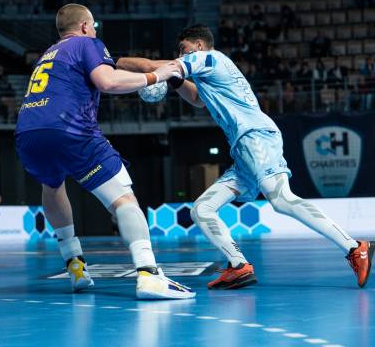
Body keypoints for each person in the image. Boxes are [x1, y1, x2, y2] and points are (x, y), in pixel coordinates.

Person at [118, 24, 374, 290]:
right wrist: (175, 80)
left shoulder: (209, 58)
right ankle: (238, 265)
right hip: (243, 151)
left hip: (255, 138)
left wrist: (111, 62)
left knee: (282, 199)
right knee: (202, 210)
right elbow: (196, 99)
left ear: (198, 46)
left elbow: (152, 65)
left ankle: (354, 247)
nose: (180, 55)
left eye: (183, 49)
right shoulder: (210, 72)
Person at [15, 3, 194, 300]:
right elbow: (108, 81)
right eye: (94, 26)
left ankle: (74, 263)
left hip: (27, 133)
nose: (95, 30)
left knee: (52, 186)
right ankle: (149, 275)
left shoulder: (48, 54)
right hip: (70, 130)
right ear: (85, 26)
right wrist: (156, 76)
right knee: (123, 199)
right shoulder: (88, 43)